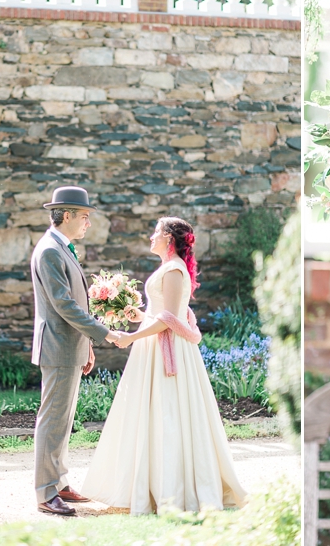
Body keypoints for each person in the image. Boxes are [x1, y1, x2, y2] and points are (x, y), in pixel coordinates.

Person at [81, 216, 247, 514]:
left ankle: (170, 489)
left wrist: (131, 337)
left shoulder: (173, 270)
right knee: (152, 412)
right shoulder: (168, 269)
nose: (151, 237)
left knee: (169, 411)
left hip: (167, 352)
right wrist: (138, 316)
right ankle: (147, 485)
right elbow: (164, 314)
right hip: (154, 347)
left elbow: (170, 319)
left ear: (169, 239)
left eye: (156, 233)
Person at [31, 186, 121, 517]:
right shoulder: (50, 251)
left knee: (62, 420)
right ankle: (45, 493)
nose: (88, 223)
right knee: (52, 420)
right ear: (66, 215)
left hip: (70, 346)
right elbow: (64, 305)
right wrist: (104, 333)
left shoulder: (60, 248)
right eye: (85, 216)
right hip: (57, 347)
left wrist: (86, 346)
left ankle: (58, 482)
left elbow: (70, 305)